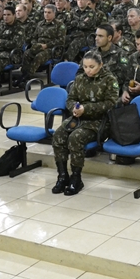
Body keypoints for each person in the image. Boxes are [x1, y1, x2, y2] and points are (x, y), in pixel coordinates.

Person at [52, 51, 119, 196]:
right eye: (85, 66)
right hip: (78, 118)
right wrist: (74, 109)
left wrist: (86, 109)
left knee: (75, 138)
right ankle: (62, 176)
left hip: (99, 121)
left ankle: (76, 178)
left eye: (92, 67)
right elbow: (70, 99)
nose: (88, 70)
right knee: (58, 135)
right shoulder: (80, 79)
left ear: (100, 65)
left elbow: (111, 103)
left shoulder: (109, 80)